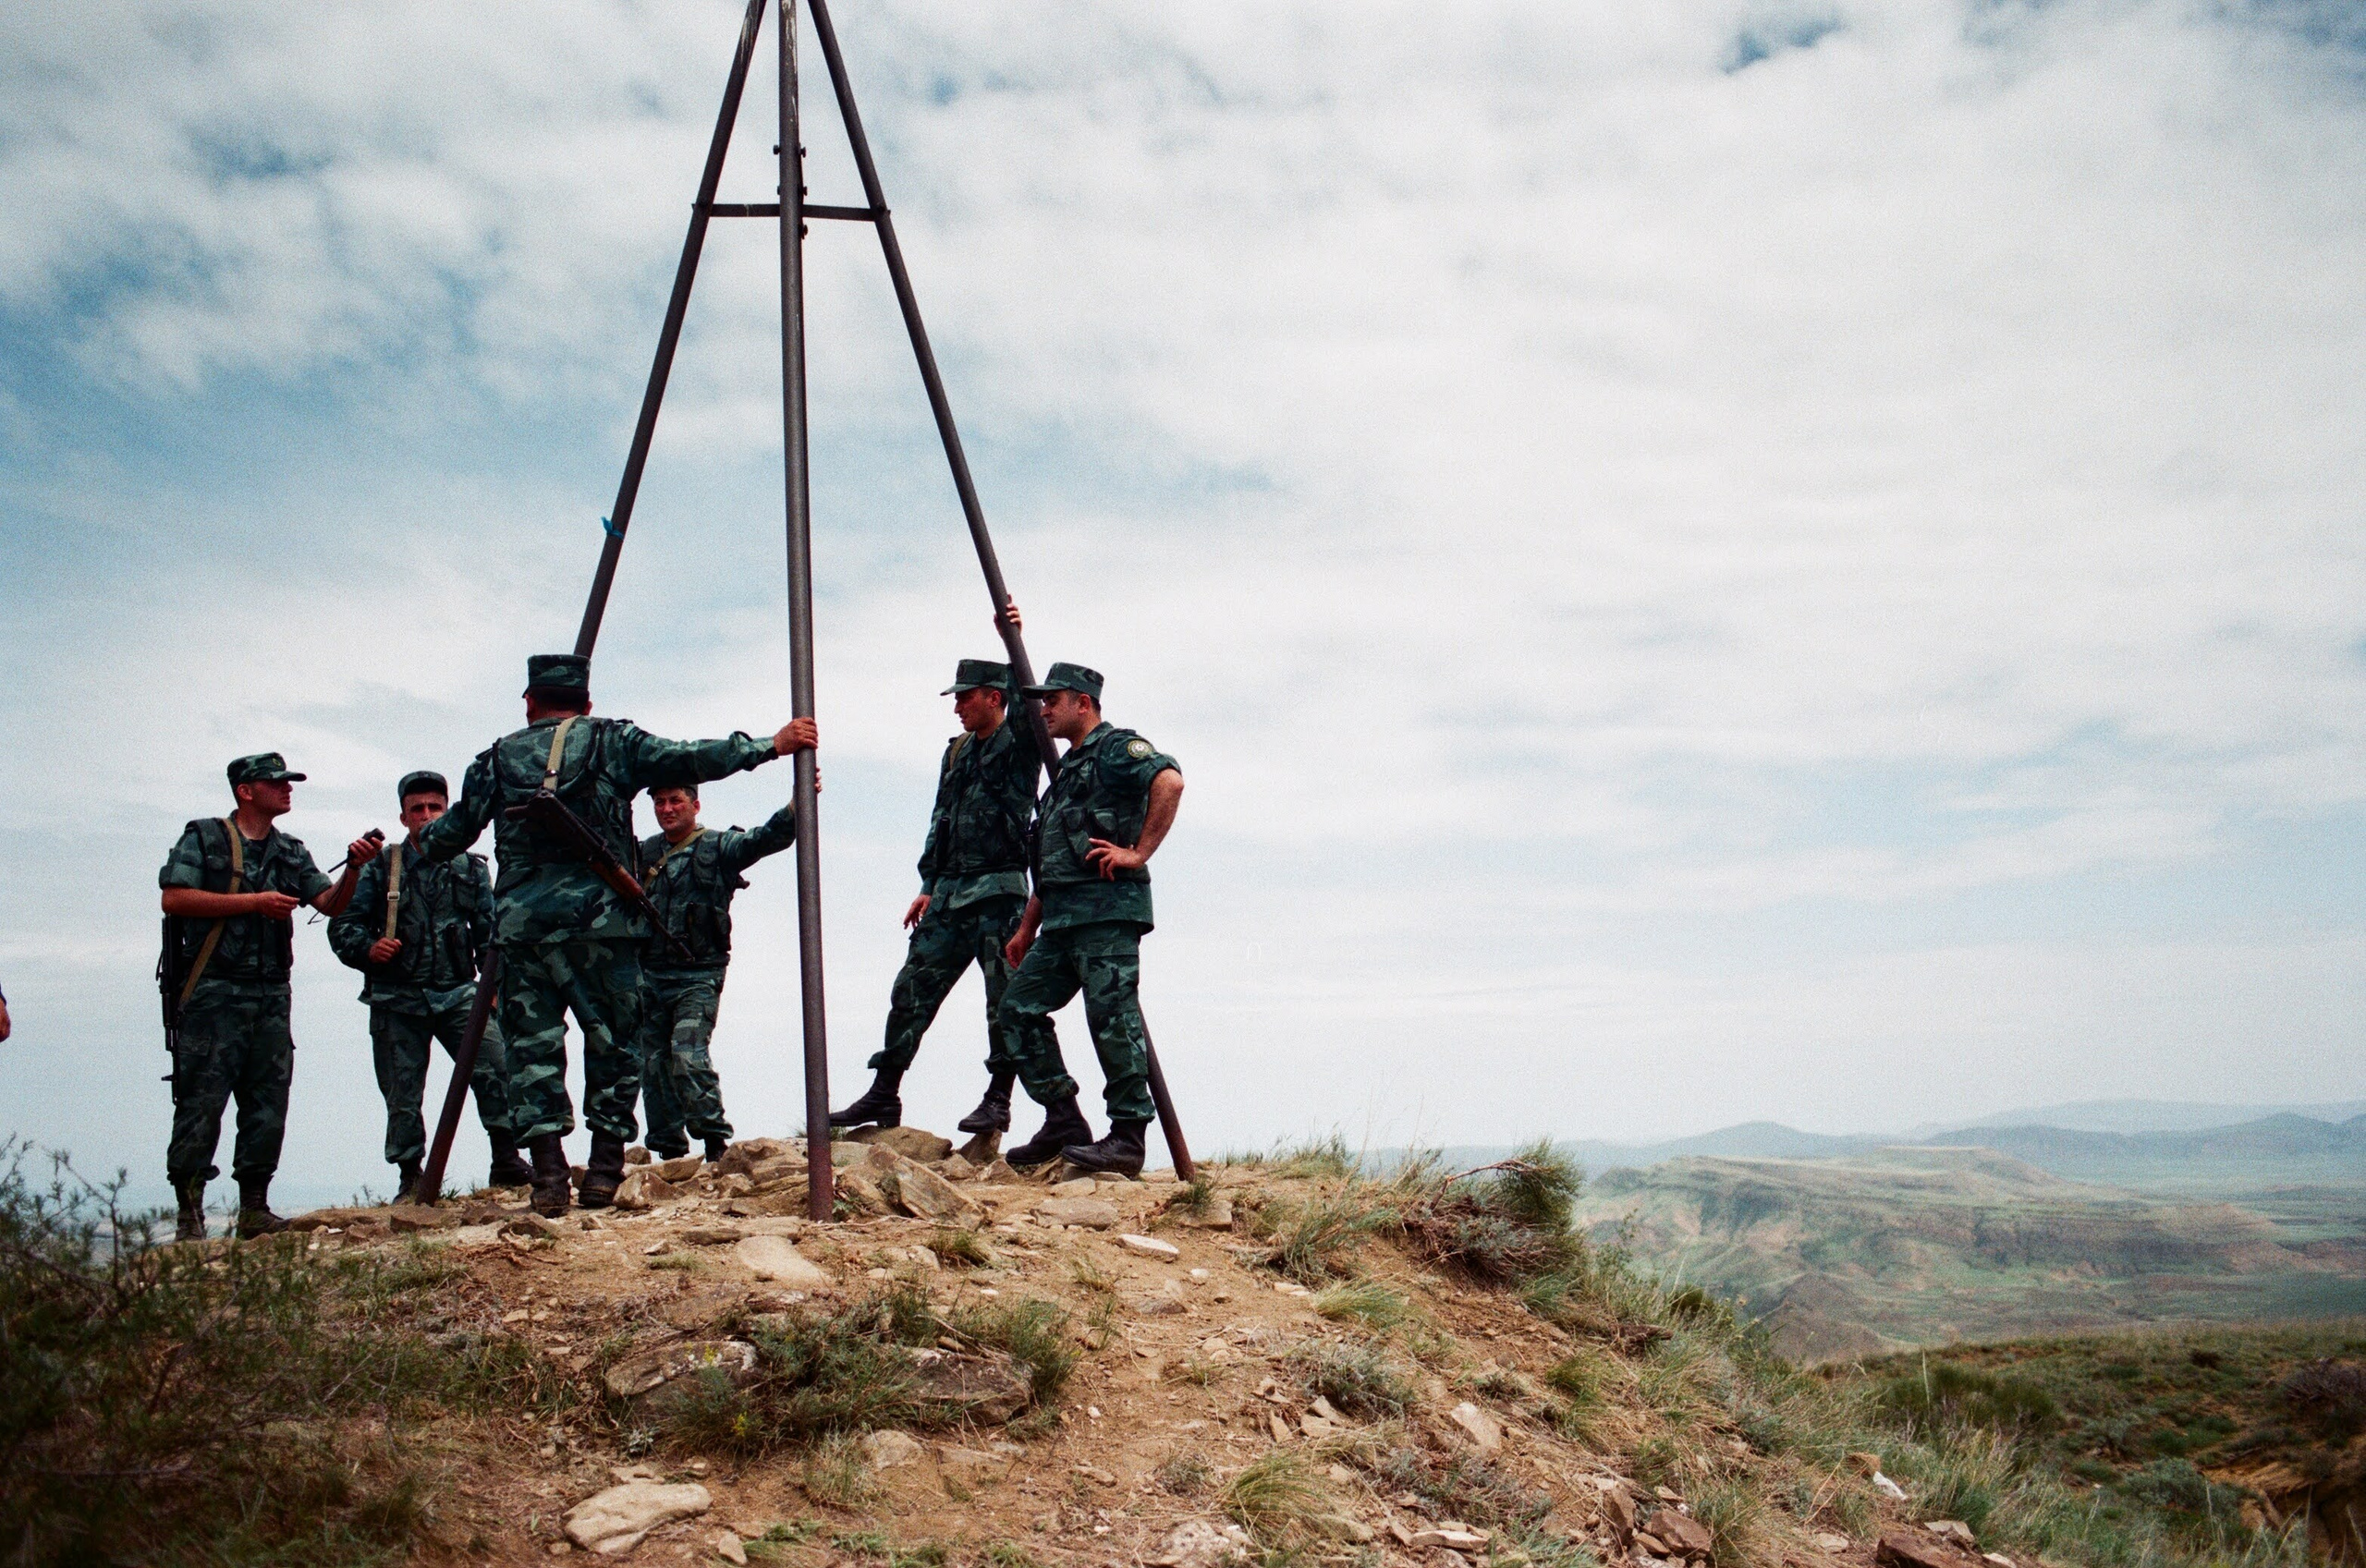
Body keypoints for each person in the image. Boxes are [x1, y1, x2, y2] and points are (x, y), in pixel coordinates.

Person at [419, 653, 816, 1217]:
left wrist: (421, 838)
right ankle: (604, 1171)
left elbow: (447, 838)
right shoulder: (612, 741)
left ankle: (548, 1178)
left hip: (524, 933)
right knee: (615, 1045)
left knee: (531, 1052)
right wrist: (769, 745)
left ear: (529, 703)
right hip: (604, 928)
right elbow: (688, 757)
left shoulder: (495, 760)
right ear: (586, 704)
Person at [159, 753, 375, 1239]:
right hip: (213, 991)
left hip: (272, 993)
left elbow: (330, 904)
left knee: (267, 1102)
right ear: (246, 790)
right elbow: (175, 897)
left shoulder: (290, 850)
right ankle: (190, 1215)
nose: (287, 788)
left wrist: (355, 868)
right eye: (276, 782)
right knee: (200, 1104)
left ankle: (254, 1209)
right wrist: (254, 902)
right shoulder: (205, 837)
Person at [831, 652, 1045, 1137]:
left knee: (1004, 1001)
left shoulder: (1019, 742)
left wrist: (1012, 641)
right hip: (949, 893)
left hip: (999, 892)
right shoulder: (956, 752)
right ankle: (884, 1091)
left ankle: (998, 1099)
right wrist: (928, 884)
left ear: (995, 697)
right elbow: (940, 819)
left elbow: (1028, 699)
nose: (957, 707)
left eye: (965, 698)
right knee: (911, 990)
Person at [995, 663, 1184, 1174]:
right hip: (1059, 922)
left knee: (1112, 1020)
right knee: (1017, 1009)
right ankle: (1063, 1120)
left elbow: (1170, 782)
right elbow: (1053, 861)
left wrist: (1138, 852)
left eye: (1052, 700)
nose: (1043, 710)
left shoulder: (1116, 750)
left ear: (1084, 703)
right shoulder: (1065, 775)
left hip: (1107, 914)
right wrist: (1027, 926)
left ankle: (1128, 1138)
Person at [329, 771, 525, 1200]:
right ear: (403, 817)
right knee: (402, 1092)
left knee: (497, 1068)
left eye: (435, 807)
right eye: (417, 809)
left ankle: (507, 1159)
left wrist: (494, 990)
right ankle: (410, 1176)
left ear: (447, 811)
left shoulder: (470, 868)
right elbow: (342, 927)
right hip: (396, 998)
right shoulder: (380, 868)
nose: (427, 815)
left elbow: (491, 935)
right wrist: (369, 949)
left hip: (459, 993)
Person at [633, 784, 799, 1163]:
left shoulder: (718, 846)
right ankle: (669, 1149)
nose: (667, 809)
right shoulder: (642, 853)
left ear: (695, 805)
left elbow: (764, 839)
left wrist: (795, 804)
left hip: (698, 974)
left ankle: (714, 1142)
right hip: (650, 974)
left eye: (675, 800)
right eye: (659, 802)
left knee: (687, 1055)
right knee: (653, 1064)